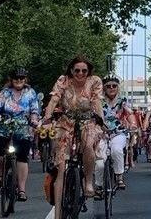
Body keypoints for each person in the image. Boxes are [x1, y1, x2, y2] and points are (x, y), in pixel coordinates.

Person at [43, 56, 104, 219]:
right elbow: (54, 99)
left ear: (88, 72)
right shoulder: (63, 81)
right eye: (77, 70)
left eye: (84, 70)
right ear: (71, 71)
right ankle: (57, 215)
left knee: (89, 143)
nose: (80, 73)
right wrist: (47, 118)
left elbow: (97, 102)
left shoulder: (95, 81)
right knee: (61, 167)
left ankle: (88, 182)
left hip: (87, 120)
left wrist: (100, 119)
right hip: (66, 121)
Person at [0, 68, 41, 202]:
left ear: (25, 80)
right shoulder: (5, 92)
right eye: (16, 78)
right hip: (4, 124)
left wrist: (34, 119)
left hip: (23, 126)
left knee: (22, 157)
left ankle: (21, 189)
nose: (19, 81)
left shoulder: (30, 92)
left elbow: (34, 109)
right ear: (11, 80)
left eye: (21, 78)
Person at [98, 75, 136, 190]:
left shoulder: (122, 101)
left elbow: (129, 114)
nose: (111, 88)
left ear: (117, 87)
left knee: (117, 150)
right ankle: (98, 186)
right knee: (99, 159)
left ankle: (119, 177)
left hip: (118, 133)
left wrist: (133, 124)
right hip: (101, 133)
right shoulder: (98, 101)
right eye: (108, 86)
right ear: (104, 88)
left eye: (114, 86)